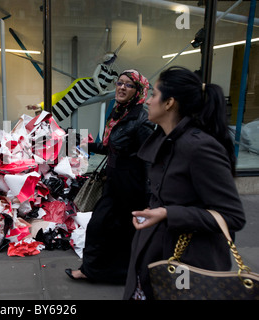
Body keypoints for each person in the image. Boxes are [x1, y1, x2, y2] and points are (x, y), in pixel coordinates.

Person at [123, 66, 246, 300]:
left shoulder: (199, 147)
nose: (148, 101)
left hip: (187, 265)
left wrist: (168, 213)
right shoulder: (167, 139)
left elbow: (233, 216)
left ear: (169, 103)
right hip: (156, 254)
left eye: (154, 95)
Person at [65, 69, 154, 284]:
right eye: (119, 83)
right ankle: (106, 272)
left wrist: (151, 196)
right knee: (109, 230)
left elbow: (150, 160)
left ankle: (101, 271)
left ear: (138, 91)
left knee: (109, 229)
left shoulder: (141, 119)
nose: (122, 87)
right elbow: (111, 148)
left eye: (129, 85)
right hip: (114, 184)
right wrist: (78, 141)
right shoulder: (118, 113)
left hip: (131, 188)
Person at [27, 51, 119, 122]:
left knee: (64, 98)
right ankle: (41, 108)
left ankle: (41, 109)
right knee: (65, 99)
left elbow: (117, 85)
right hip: (85, 85)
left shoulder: (114, 73)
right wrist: (102, 91)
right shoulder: (101, 66)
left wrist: (111, 90)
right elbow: (95, 77)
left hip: (91, 90)